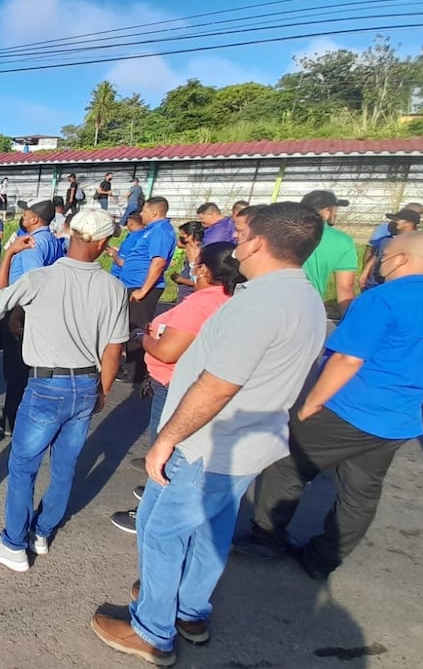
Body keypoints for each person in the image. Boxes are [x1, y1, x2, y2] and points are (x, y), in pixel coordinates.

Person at [90, 202, 328, 666]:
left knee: (160, 531)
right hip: (248, 442)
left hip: (207, 442)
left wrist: (166, 438)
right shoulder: (305, 297)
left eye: (241, 233)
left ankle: (152, 631)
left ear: (258, 242)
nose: (235, 240)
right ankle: (189, 611)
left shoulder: (260, 303)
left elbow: (218, 384)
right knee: (211, 530)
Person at [239, 231, 423, 579]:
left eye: (384, 255)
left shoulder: (382, 299)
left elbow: (347, 359)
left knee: (287, 466)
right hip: (399, 418)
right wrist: (405, 393)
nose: (379, 262)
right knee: (360, 493)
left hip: (348, 409)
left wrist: (311, 404)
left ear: (402, 258)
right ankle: (323, 558)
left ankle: (266, 537)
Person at [0, 209, 126, 572]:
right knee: (65, 466)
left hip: (45, 384)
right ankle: (41, 533)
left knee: (23, 465)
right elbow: (114, 349)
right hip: (87, 383)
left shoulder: (41, 278)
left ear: (70, 233)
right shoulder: (114, 288)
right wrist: (102, 390)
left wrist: (10, 254)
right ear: (103, 243)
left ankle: (13, 543)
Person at [109, 241, 243, 535]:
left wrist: (143, 339)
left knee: (165, 451)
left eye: (197, 264)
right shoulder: (235, 298)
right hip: (197, 384)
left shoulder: (201, 304)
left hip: (174, 384)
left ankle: (153, 514)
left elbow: (167, 351)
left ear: (204, 270)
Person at [0, 199, 64, 439]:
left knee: (16, 368)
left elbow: (32, 281)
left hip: (21, 308)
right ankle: (16, 411)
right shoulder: (51, 240)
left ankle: (11, 419)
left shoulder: (31, 245)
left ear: (35, 219)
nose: (23, 218)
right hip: (33, 310)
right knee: (24, 367)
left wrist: (16, 315)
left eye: (26, 215)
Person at [117, 197, 175, 384]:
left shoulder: (161, 231)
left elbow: (158, 262)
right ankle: (132, 368)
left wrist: (143, 290)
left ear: (155, 212)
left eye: (144, 211)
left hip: (142, 287)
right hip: (132, 284)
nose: (142, 214)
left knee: (137, 327)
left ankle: (136, 372)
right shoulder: (150, 231)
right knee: (129, 325)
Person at [300, 190, 358, 314]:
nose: (336, 214)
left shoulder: (279, 230)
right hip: (308, 307)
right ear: (326, 212)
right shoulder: (343, 241)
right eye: (335, 210)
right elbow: (345, 288)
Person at [359, 208, 420, 291]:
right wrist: (364, 274)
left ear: (408, 223)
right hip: (372, 283)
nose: (393, 223)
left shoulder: (417, 242)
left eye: (397, 220)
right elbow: (376, 256)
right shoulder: (386, 240)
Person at [169, 221, 205, 303]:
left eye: (182, 236)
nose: (180, 239)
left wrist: (180, 279)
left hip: (190, 293)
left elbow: (199, 280)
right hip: (184, 292)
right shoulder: (189, 250)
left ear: (191, 236)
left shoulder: (200, 253)